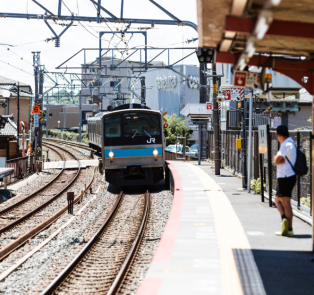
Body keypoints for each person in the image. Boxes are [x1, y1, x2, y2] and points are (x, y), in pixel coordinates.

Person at [273, 125, 296, 237]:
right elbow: (278, 160)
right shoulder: (289, 143)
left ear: (279, 135)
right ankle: (284, 220)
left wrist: (277, 158)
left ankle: (289, 228)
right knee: (277, 200)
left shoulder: (286, 144)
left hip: (286, 176)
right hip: (286, 176)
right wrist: (278, 159)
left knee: (285, 203)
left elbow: (277, 160)